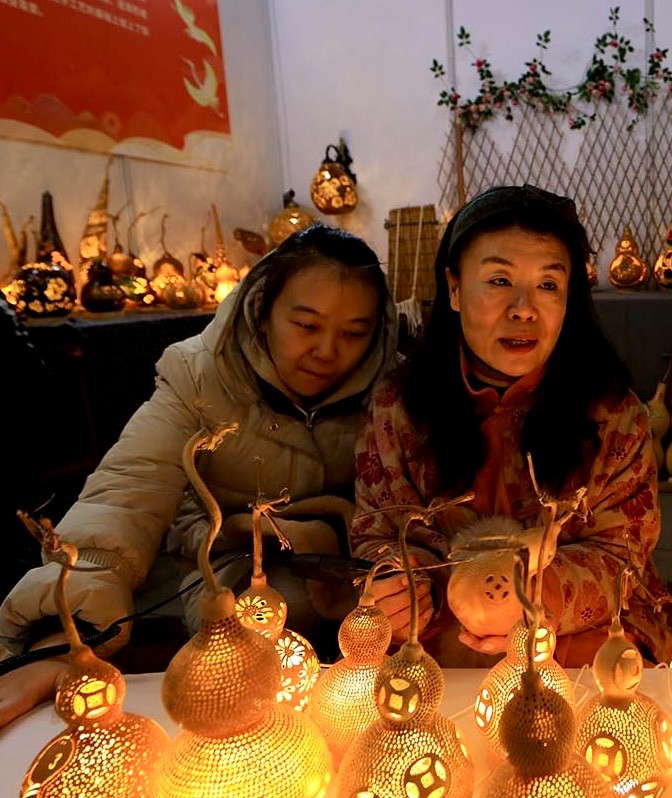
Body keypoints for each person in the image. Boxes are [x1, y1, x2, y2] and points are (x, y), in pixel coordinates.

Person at [0, 225, 398, 727]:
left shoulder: (393, 389)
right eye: (305, 325)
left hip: (344, 570)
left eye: (354, 333)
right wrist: (64, 637)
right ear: (262, 308)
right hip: (214, 560)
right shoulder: (200, 375)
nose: (326, 351)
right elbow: (126, 493)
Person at [352, 184, 672, 666]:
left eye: (548, 285)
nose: (524, 309)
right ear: (454, 288)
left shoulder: (613, 414)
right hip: (440, 632)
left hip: (580, 631)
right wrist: (406, 588)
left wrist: (531, 598)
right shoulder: (397, 408)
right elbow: (376, 532)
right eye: (499, 280)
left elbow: (620, 553)